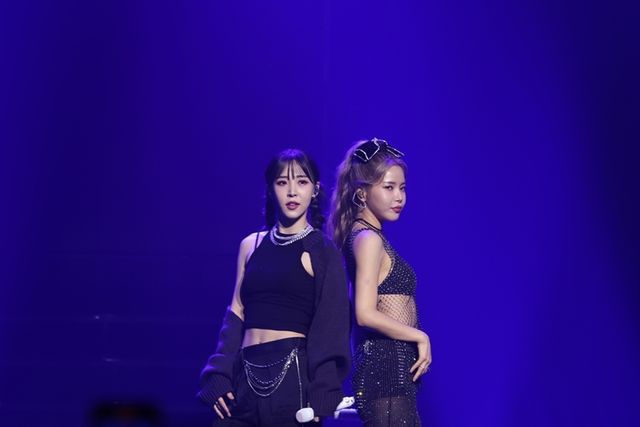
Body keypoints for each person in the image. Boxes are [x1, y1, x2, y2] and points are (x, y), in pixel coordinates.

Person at [197, 149, 351, 426]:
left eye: (301, 182)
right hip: (244, 376)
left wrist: (324, 392)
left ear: (315, 190)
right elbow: (236, 312)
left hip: (292, 378)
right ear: (270, 189)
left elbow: (332, 324)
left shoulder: (322, 250)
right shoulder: (251, 245)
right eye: (282, 182)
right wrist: (219, 372)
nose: (292, 191)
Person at [328, 138, 432, 426]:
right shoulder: (368, 239)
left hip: (391, 369)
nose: (399, 197)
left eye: (403, 188)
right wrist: (420, 336)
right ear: (361, 193)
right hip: (385, 370)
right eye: (389, 187)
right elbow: (364, 313)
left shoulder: (367, 236)